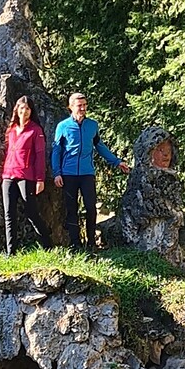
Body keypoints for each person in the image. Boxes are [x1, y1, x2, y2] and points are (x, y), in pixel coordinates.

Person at [51, 91, 129, 252]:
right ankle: (75, 244)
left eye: (85, 105)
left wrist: (116, 161)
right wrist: (57, 172)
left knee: (91, 208)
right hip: (68, 174)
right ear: (71, 107)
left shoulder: (92, 125)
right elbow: (56, 150)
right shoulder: (63, 126)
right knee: (72, 209)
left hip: (87, 173)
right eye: (79, 105)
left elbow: (99, 146)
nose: (83, 108)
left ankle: (91, 242)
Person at [1, 96, 49, 255]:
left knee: (31, 212)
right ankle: (10, 253)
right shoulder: (12, 129)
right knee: (9, 214)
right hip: (8, 175)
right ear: (17, 109)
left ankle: (48, 246)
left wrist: (40, 179)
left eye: (27, 108)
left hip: (26, 176)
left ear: (31, 111)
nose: (24, 111)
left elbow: (40, 155)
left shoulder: (36, 130)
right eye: (22, 108)